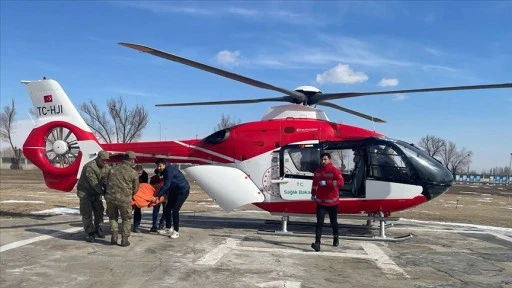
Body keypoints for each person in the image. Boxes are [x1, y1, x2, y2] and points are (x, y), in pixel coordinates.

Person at [310, 152, 344, 252]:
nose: (323, 161)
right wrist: (312, 193)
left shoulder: (334, 170)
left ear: (329, 160)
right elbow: (314, 183)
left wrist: (328, 183)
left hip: (332, 203)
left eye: (325, 159)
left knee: (333, 222)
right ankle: (317, 243)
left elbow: (341, 183)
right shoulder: (318, 170)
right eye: (322, 160)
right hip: (320, 202)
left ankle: (336, 236)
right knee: (319, 223)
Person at [105, 151, 139, 247]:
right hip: (124, 199)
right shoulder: (133, 173)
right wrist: (129, 194)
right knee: (126, 219)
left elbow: (105, 182)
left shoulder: (112, 169)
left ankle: (114, 238)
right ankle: (124, 240)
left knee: (112, 217)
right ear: (132, 160)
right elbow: (136, 188)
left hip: (111, 198)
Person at [76, 150, 110, 243]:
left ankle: (97, 228)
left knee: (99, 212)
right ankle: (90, 232)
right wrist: (105, 194)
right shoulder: (90, 167)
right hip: (85, 192)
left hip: (96, 193)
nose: (105, 162)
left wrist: (109, 189)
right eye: (103, 160)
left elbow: (109, 179)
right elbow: (94, 183)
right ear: (98, 158)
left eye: (107, 160)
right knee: (87, 213)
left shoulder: (106, 167)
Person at [152, 159, 190, 239]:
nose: (159, 168)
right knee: (167, 209)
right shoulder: (164, 169)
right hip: (174, 190)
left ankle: (176, 231)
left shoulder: (169, 170)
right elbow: (159, 173)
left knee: (175, 210)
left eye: (160, 166)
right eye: (157, 166)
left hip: (182, 191)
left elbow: (166, 185)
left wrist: (158, 196)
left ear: (164, 164)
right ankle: (168, 228)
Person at [132, 164, 149, 233]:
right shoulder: (131, 173)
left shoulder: (145, 175)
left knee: (138, 210)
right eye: (138, 173)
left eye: (140, 173)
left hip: (139, 194)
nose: (139, 175)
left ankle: (136, 226)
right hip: (130, 193)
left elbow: (144, 186)